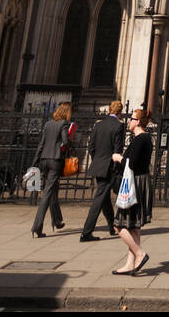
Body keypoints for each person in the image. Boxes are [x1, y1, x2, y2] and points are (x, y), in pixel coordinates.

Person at [111, 108, 153, 275]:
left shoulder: (140, 139)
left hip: (134, 185)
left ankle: (140, 253)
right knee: (134, 226)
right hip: (140, 182)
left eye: (132, 119)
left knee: (119, 225)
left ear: (138, 122)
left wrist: (118, 158)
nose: (129, 121)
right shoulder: (145, 139)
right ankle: (130, 263)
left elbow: (131, 163)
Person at [80, 100, 125, 241]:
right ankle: (86, 232)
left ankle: (112, 226)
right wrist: (116, 167)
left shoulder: (98, 125)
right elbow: (118, 149)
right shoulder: (119, 126)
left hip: (98, 165)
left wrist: (97, 160)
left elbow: (91, 146)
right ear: (120, 112)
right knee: (99, 199)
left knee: (104, 197)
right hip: (110, 167)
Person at [31, 102, 73, 238]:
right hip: (55, 160)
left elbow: (41, 143)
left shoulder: (48, 124)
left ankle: (57, 220)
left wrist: (35, 161)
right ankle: (37, 225)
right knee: (47, 193)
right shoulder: (63, 124)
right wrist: (63, 145)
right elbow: (65, 142)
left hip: (44, 160)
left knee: (52, 189)